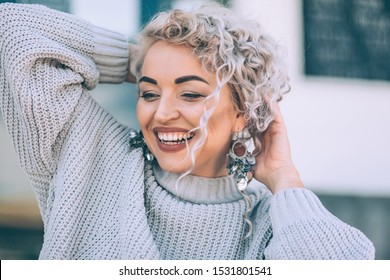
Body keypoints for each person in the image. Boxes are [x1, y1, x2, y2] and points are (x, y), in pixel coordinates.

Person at [0, 2, 375, 260]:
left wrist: (285, 179)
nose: (161, 113)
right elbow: (12, 31)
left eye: (191, 93)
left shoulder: (268, 229)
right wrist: (143, 56)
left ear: (244, 112)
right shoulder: (92, 160)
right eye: (148, 93)